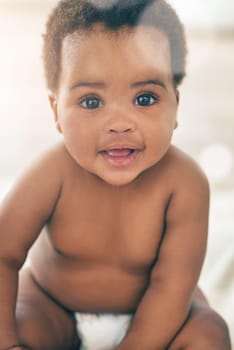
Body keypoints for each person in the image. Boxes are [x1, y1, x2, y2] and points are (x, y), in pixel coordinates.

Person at [0, 0, 231, 349]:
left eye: (145, 99)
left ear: (175, 106)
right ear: (56, 111)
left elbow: (172, 285)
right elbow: (4, 254)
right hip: (54, 306)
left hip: (156, 317)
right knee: (19, 327)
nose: (120, 124)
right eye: (92, 102)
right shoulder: (51, 173)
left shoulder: (185, 184)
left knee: (209, 335)